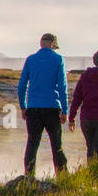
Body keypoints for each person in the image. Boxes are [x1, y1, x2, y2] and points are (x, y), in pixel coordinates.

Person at [17, 33, 69, 178]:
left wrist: (23, 106)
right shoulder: (58, 59)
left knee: (32, 143)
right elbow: (62, 87)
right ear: (53, 44)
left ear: (41, 43)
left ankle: (29, 176)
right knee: (56, 145)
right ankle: (62, 176)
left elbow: (22, 86)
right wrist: (65, 110)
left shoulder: (31, 59)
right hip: (52, 107)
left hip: (33, 108)